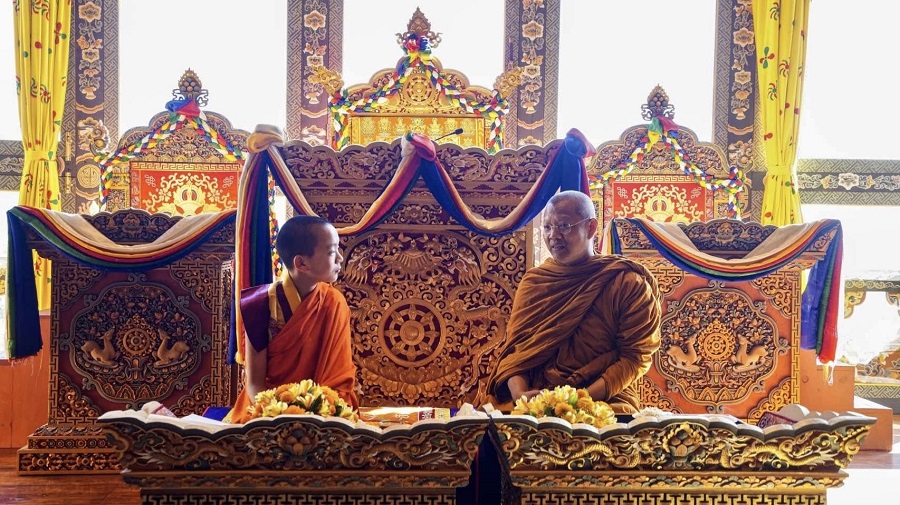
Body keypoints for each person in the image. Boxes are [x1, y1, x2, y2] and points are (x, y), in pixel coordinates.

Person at [480, 190, 661, 414]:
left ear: (591, 228)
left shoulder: (626, 283)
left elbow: (634, 358)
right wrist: (521, 395)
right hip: (535, 397)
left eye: (564, 226)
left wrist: (577, 400)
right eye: (547, 227)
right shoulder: (535, 282)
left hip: (601, 397)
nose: (553, 235)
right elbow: (516, 353)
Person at [225, 215, 359, 423]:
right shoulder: (258, 304)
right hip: (268, 410)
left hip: (322, 410)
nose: (340, 258)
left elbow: (338, 380)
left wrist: (316, 413)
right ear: (301, 263)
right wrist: (276, 417)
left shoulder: (334, 302)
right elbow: (254, 382)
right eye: (332, 252)